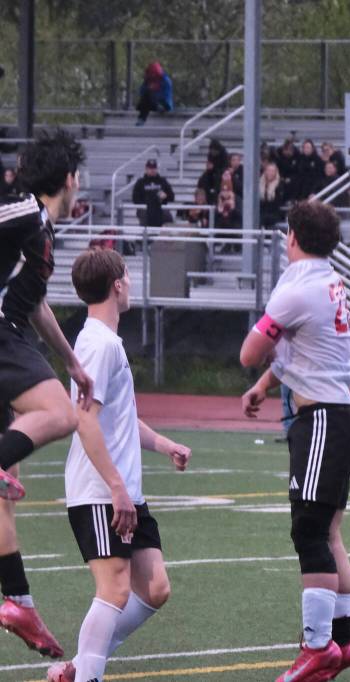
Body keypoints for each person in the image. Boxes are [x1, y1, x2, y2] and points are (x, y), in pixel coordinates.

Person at [46, 249, 192, 682]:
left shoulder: (106, 342)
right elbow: (85, 420)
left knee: (154, 588)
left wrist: (164, 444)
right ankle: (87, 674)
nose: (130, 281)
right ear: (117, 285)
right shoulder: (97, 343)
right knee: (114, 589)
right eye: (127, 274)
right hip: (100, 492)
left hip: (123, 489)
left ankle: (80, 665)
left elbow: (120, 417)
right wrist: (115, 488)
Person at [239, 200, 350, 681]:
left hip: (323, 420)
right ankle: (344, 637)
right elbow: (301, 349)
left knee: (309, 532)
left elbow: (249, 351)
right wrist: (265, 386)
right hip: (340, 415)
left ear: (291, 235)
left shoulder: (299, 288)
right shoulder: (325, 278)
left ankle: (317, 646)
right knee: (328, 533)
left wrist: (260, 362)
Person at [0, 130, 94, 659]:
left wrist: (72, 361)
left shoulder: (40, 231)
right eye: (79, 176)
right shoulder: (25, 215)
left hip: (13, 330)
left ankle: (16, 599)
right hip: (1, 334)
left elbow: (35, 305)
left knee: (5, 485)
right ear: (67, 179)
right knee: (59, 414)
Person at [131, 158, 174, 227]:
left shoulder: (162, 181)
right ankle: (145, 235)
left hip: (160, 208)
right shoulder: (140, 182)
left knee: (168, 216)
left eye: (154, 168)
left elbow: (172, 197)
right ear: (146, 169)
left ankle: (165, 235)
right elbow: (135, 198)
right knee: (145, 214)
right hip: (145, 209)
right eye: (150, 168)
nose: (152, 170)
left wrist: (166, 196)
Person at [135, 62, 173, 126]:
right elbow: (141, 92)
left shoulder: (166, 80)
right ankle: (141, 120)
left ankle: (157, 107)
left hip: (164, 104)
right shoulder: (148, 80)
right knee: (146, 97)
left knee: (149, 95)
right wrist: (148, 88)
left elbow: (166, 96)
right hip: (154, 104)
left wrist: (155, 96)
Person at [259, 162, 286, 228]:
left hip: (274, 212)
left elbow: (279, 201)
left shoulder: (280, 184)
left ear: (276, 173)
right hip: (261, 212)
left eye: (272, 171)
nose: (270, 173)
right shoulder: (259, 183)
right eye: (268, 170)